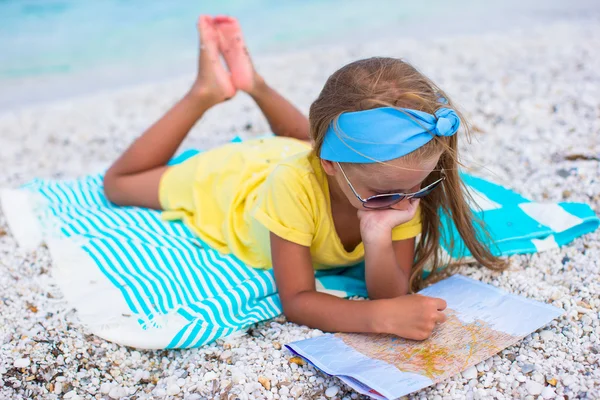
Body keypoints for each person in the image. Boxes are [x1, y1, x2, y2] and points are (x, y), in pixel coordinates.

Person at [103, 15, 506, 341]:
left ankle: (253, 83)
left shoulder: (397, 188)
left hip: (306, 158)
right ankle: (206, 91)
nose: (403, 203)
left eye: (417, 186)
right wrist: (377, 317)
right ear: (331, 164)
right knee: (119, 185)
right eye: (385, 193)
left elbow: (391, 290)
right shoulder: (293, 186)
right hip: (231, 183)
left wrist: (379, 239)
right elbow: (296, 300)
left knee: (306, 145)